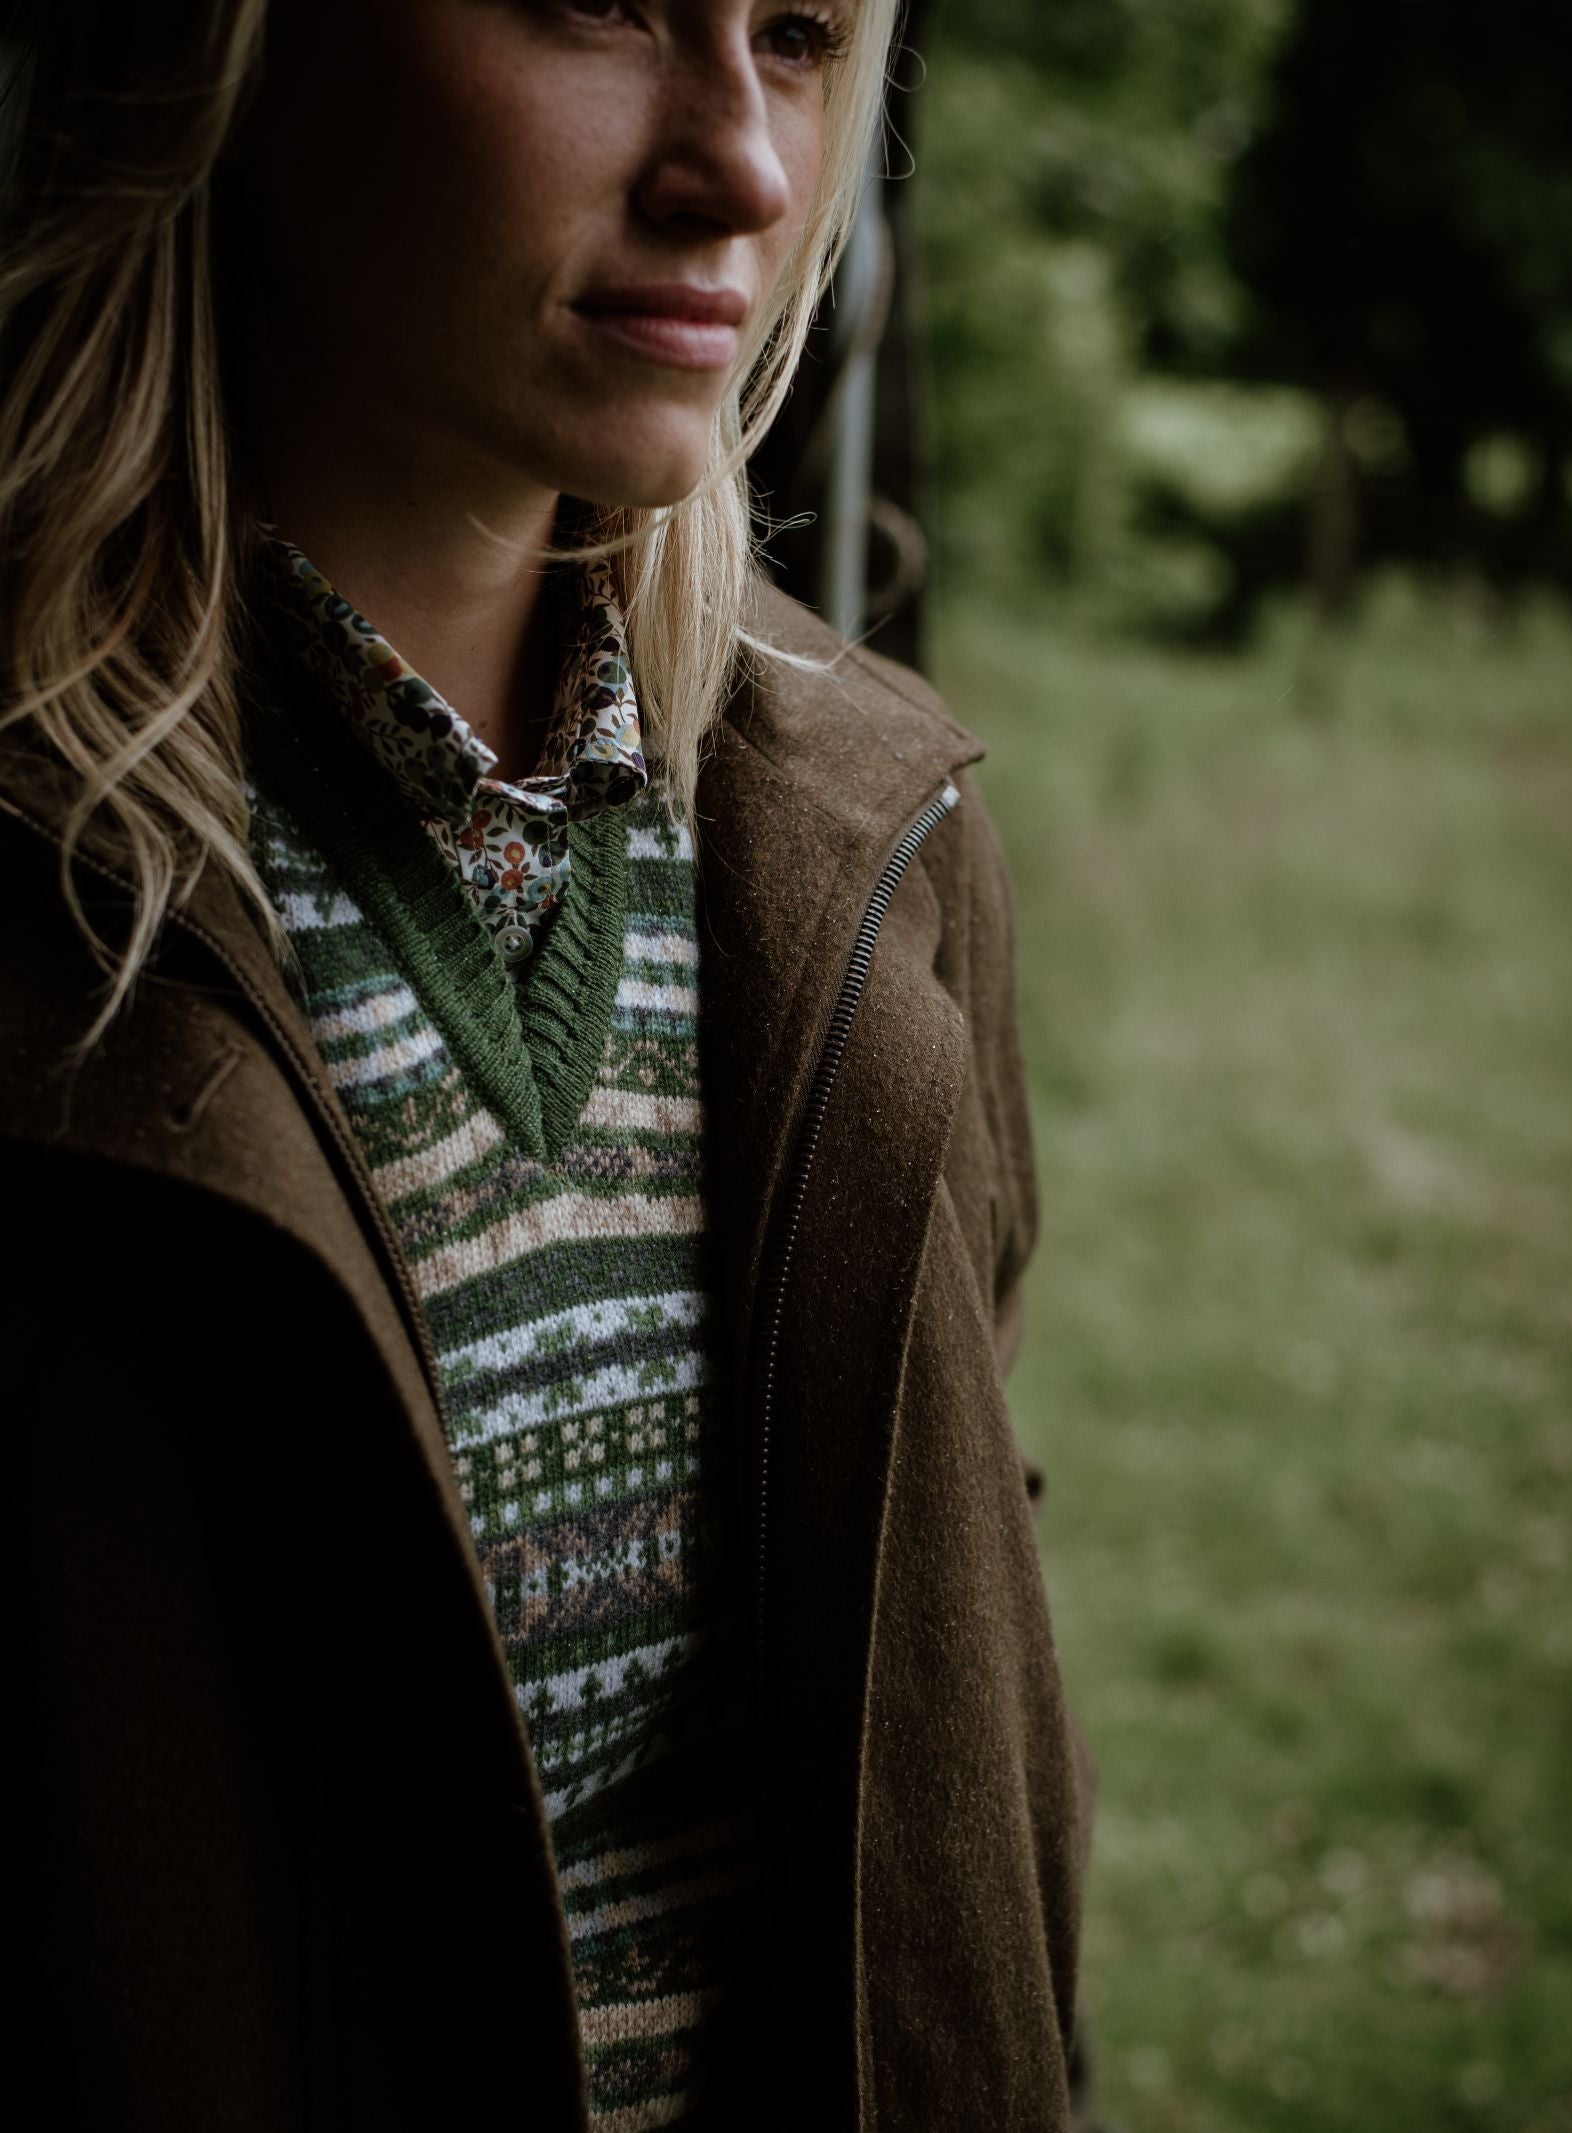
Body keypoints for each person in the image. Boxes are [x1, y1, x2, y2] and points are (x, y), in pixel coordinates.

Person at [1, 2, 1093, 2126]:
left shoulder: (877, 830)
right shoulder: (49, 910)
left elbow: (957, 1730)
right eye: (595, 4)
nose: (748, 169)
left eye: (794, 35)